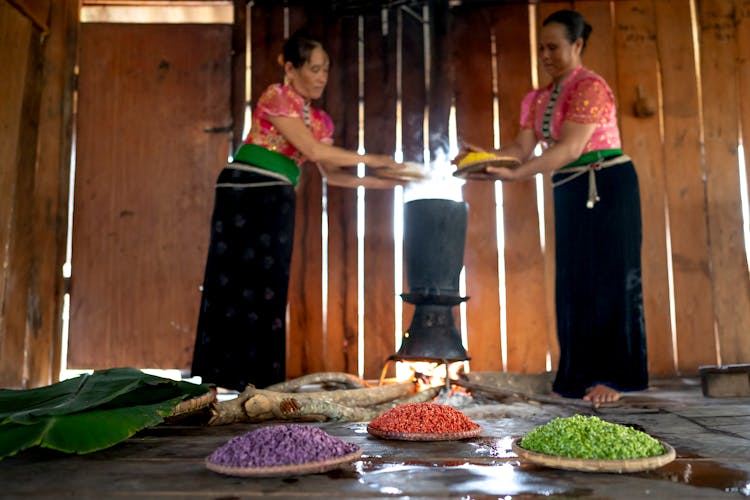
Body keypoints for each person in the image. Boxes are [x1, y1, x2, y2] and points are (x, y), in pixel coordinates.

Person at [191, 30, 404, 392]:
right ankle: (217, 379)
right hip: (244, 190)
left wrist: (386, 182)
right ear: (291, 68)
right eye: (315, 69)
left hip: (277, 195)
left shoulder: (319, 120)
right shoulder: (277, 96)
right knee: (232, 283)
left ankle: (257, 383)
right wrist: (376, 159)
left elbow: (333, 175)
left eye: (326, 70)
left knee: (269, 288)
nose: (322, 77)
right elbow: (316, 153)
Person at [457, 10, 648, 404]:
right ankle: (578, 375)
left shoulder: (590, 87)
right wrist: (486, 161)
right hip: (569, 188)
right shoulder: (538, 97)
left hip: (606, 183)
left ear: (577, 46)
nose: (545, 54)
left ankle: (614, 377)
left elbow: (571, 148)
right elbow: (520, 149)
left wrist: (518, 175)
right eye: (541, 47)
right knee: (575, 281)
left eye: (553, 47)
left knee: (610, 278)